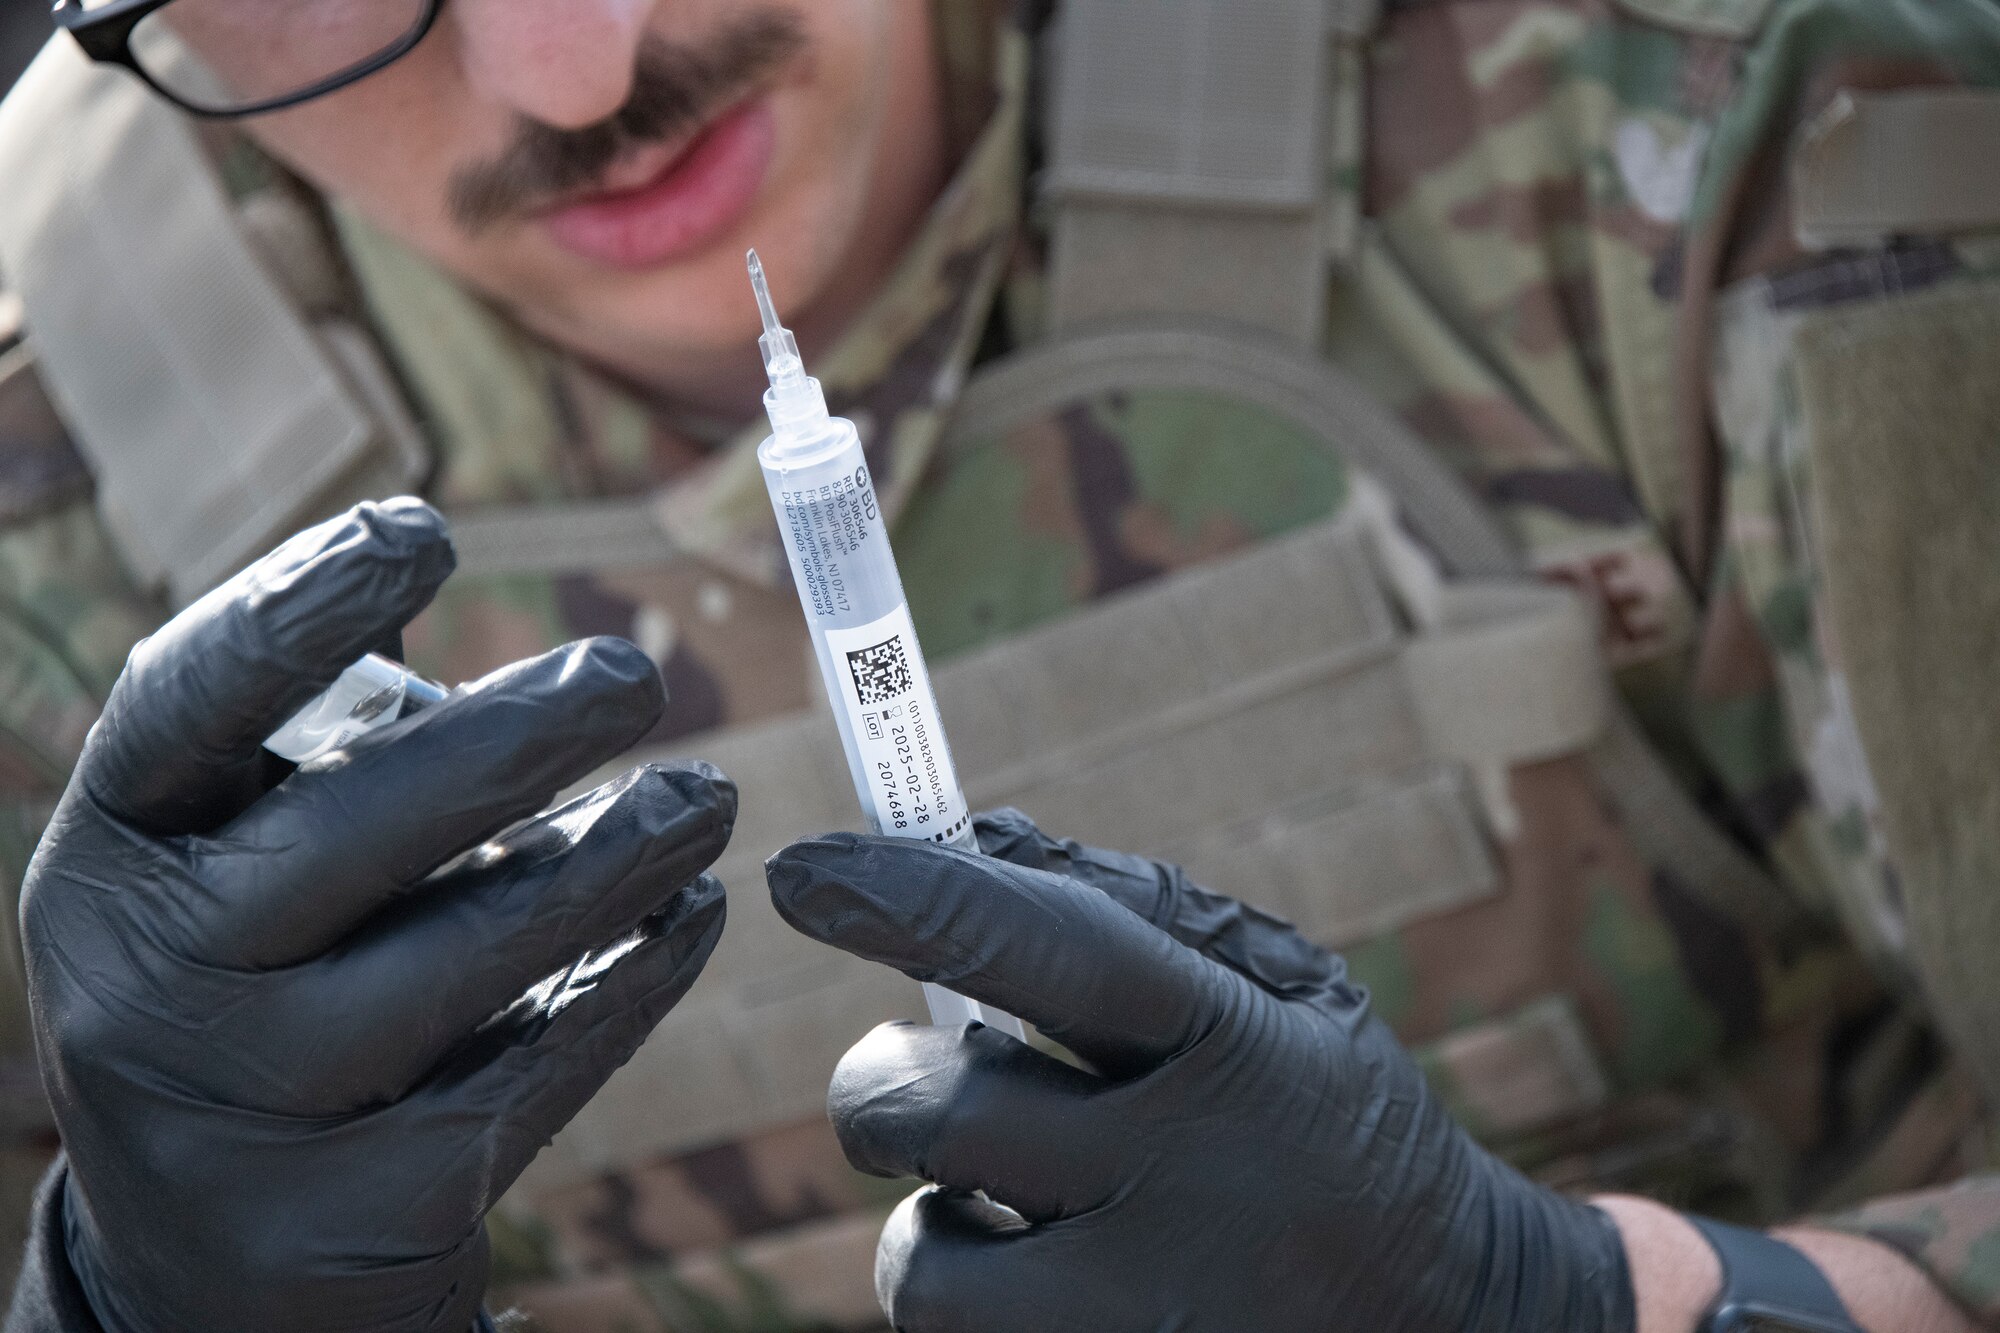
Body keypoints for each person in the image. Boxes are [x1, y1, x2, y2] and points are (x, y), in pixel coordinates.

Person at [0, 0, 1998, 1326]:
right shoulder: (42, 480)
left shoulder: (1671, 102)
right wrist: (113, 1293)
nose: (574, 71)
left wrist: (1574, 1296)